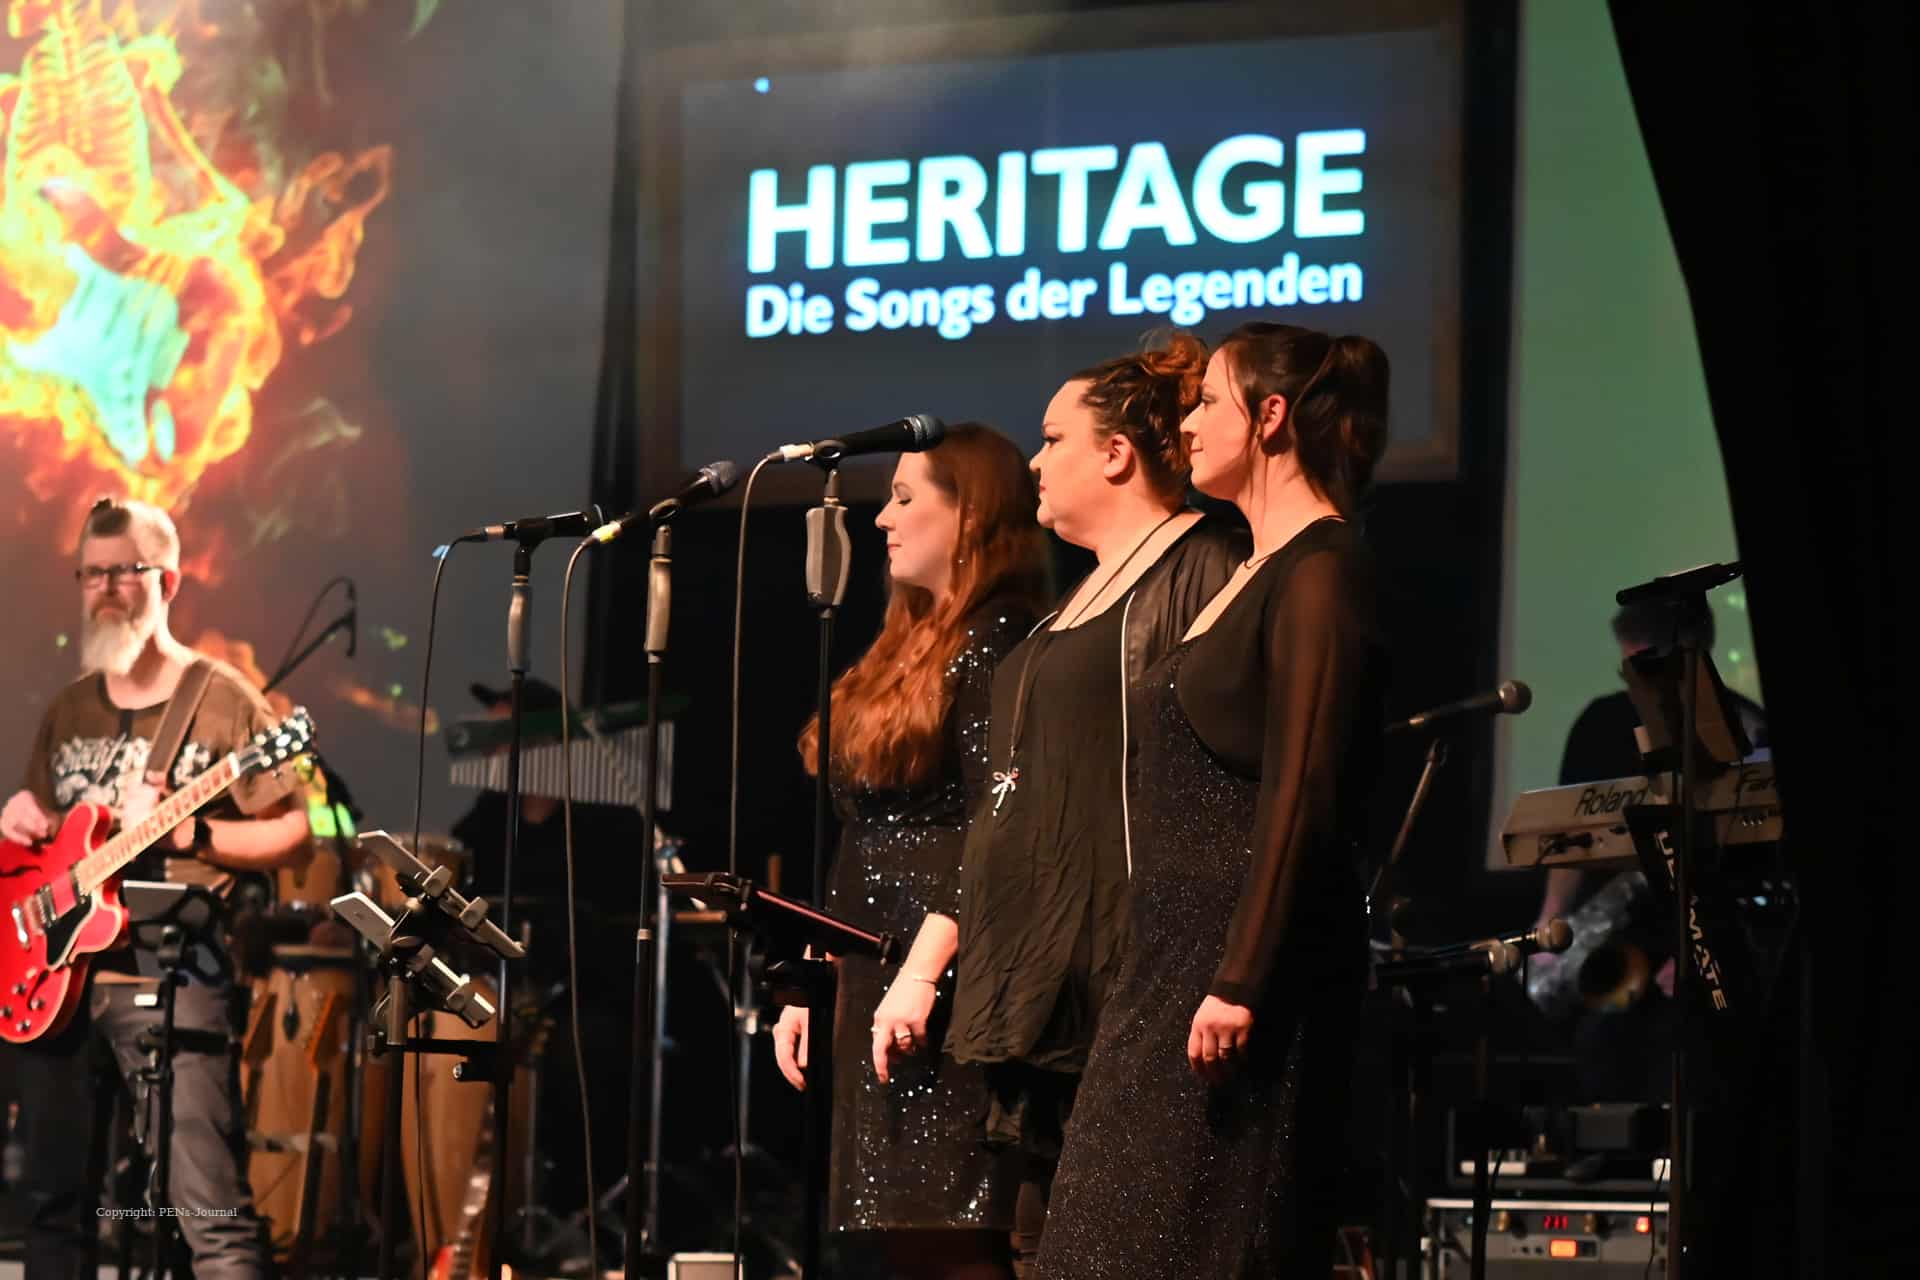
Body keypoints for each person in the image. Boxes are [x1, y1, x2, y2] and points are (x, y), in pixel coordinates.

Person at [867, 334, 1247, 1276]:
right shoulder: (1067, 608)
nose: (1035, 462)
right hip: (1040, 997)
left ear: (1116, 454)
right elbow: (1007, 810)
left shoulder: (1201, 565)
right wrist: (923, 971)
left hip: (1129, 990)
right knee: (1044, 1244)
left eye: (1052, 439)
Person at [1034, 323, 1391, 1277]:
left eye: (1206, 403)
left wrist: (1241, 978)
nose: (1186, 423)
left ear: (1271, 417)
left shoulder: (1322, 571)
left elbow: (1304, 790)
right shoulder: (1254, 569)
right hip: (1168, 964)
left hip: (1236, 977)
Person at [0, 498, 312, 1280]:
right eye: (91, 574)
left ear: (168, 581)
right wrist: (18, 819)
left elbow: (293, 833)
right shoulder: (70, 706)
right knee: (52, 1213)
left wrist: (194, 835)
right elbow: (45, 848)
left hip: (173, 976)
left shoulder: (221, 697)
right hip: (57, 986)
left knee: (210, 1217)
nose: (104, 590)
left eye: (124, 572)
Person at [770, 424, 1049, 1279]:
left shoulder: (999, 638)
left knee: (949, 1234)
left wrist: (925, 971)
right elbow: (862, 836)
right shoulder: (911, 638)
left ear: (970, 517)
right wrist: (812, 976)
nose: (882, 519)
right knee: (902, 1237)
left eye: (902, 498)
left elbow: (999, 825)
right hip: (873, 970)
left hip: (941, 973)